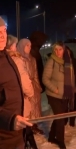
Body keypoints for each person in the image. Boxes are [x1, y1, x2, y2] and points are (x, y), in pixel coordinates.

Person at [0, 17, 32, 149]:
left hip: (16, 136)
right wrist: (10, 119)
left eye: (4, 30)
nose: (2, 35)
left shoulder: (7, 57)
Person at [42, 41, 76, 149]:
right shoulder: (51, 61)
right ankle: (61, 141)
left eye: (60, 49)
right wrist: (55, 89)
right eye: (55, 50)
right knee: (61, 118)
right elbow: (45, 79)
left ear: (64, 50)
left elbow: (71, 78)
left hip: (65, 95)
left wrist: (73, 90)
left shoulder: (68, 61)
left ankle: (52, 136)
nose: (58, 52)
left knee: (59, 117)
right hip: (53, 95)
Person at [6, 35, 38, 148]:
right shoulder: (16, 60)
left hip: (9, 104)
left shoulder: (5, 59)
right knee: (22, 130)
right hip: (20, 102)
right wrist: (31, 92)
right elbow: (26, 83)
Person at [17, 38, 44, 135]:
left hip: (33, 85)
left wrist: (38, 85)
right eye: (27, 46)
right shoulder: (19, 59)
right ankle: (28, 128)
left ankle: (34, 125)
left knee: (36, 107)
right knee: (28, 108)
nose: (29, 48)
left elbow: (35, 73)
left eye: (30, 46)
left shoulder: (32, 59)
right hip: (25, 86)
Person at [65, 46, 76, 127]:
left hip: (73, 87)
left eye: (68, 51)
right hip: (64, 87)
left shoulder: (74, 61)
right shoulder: (61, 62)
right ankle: (64, 120)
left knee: (73, 105)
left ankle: (72, 121)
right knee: (64, 105)